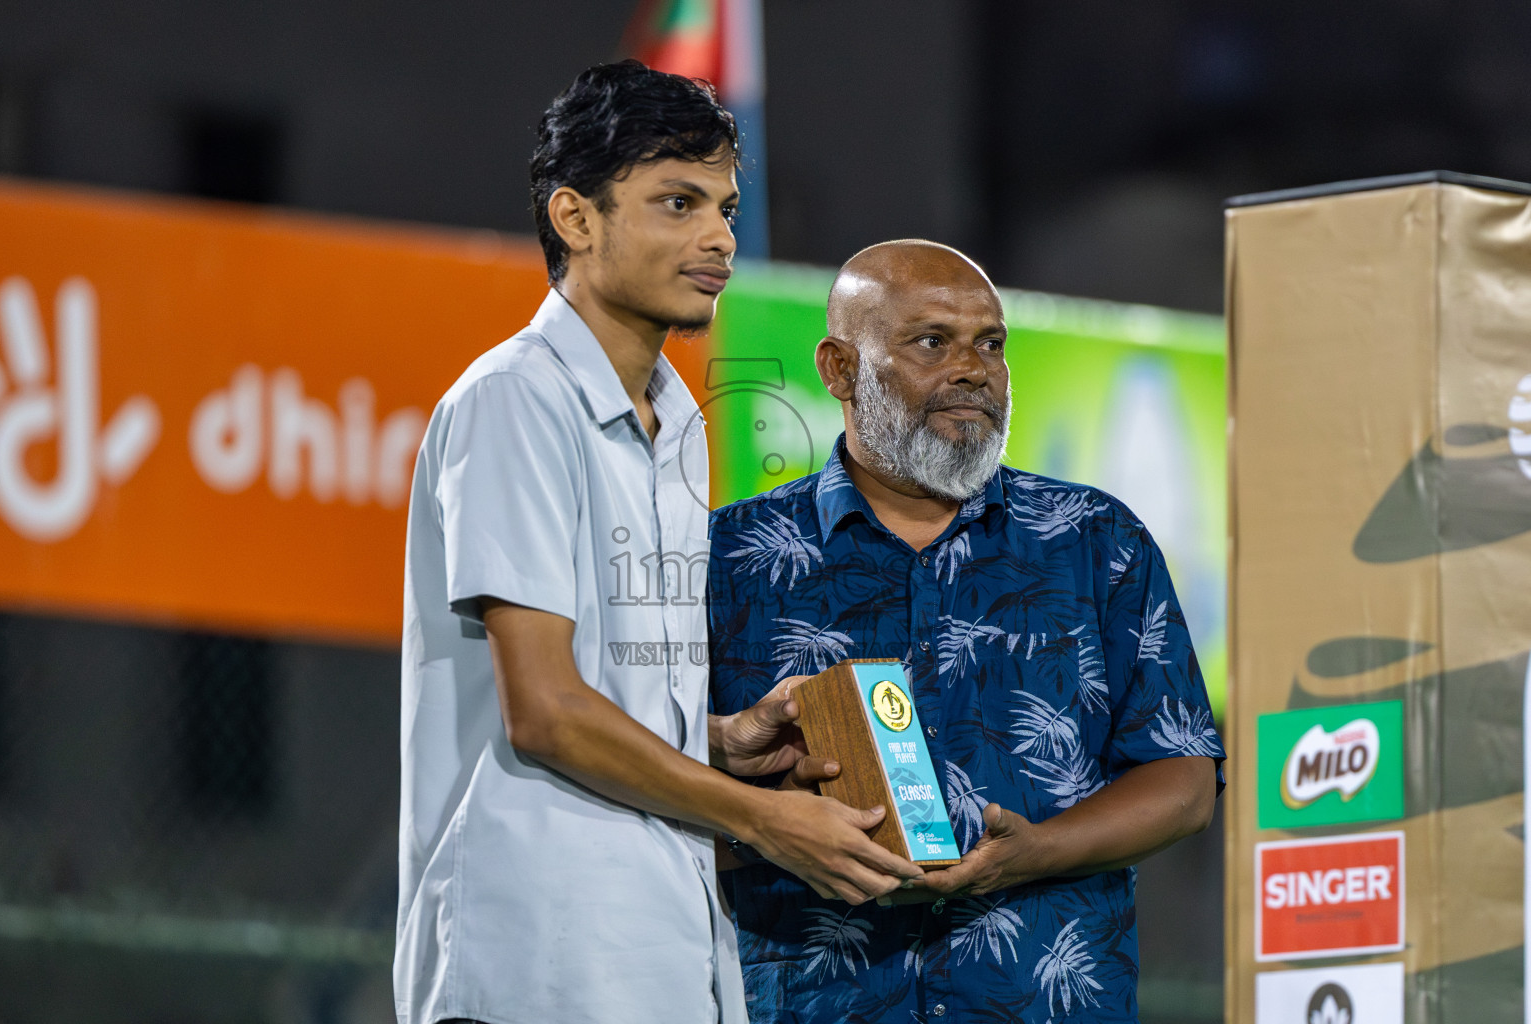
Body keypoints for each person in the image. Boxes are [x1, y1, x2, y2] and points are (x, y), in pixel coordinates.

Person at [394, 63, 922, 1024]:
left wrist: (718, 743)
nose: (718, 238)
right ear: (576, 218)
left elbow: (600, 692)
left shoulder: (678, 421)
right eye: (677, 203)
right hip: (533, 968)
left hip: (660, 962)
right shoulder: (516, 399)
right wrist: (769, 820)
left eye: (723, 205)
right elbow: (546, 711)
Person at [708, 239, 1225, 1023]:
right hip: (814, 1002)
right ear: (839, 369)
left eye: (991, 344)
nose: (973, 369)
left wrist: (1036, 853)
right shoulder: (729, 557)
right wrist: (767, 829)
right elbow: (652, 781)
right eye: (931, 343)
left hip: (1044, 1000)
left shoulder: (1095, 540)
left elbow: (1182, 783)